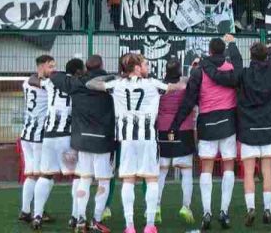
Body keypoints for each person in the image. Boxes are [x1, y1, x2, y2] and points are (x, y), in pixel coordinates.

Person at [203, 42, 271, 226]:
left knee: (249, 173)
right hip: (269, 128)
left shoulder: (243, 74)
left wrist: (231, 47)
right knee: (267, 171)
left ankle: (251, 208)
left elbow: (221, 77)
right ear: (266, 56)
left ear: (251, 56)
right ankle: (267, 209)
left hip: (248, 128)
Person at [85, 53, 187, 233]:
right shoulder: (153, 84)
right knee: (152, 179)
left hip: (127, 140)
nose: (148, 67)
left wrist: (112, 76)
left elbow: (90, 84)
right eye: (145, 64)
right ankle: (149, 225)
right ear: (138, 68)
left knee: (128, 180)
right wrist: (189, 73)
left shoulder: (117, 84)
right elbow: (179, 85)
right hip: (147, 139)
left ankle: (130, 226)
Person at [171, 36, 240, 230]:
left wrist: (175, 124)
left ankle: (207, 212)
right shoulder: (232, 69)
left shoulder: (199, 71)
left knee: (206, 169)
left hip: (207, 123)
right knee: (228, 167)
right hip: (228, 122)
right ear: (223, 51)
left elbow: (189, 100)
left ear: (209, 51)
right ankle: (224, 212)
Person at [29, 58, 85, 230]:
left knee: (46, 175)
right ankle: (75, 217)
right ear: (77, 72)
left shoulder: (51, 82)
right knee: (77, 176)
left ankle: (37, 215)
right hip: (67, 136)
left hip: (48, 135)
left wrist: (43, 73)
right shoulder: (79, 84)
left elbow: (33, 80)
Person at [71, 55, 117, 232]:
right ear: (102, 65)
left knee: (84, 178)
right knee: (103, 181)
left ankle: (80, 218)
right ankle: (96, 220)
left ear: (86, 68)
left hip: (83, 138)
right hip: (102, 139)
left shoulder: (76, 84)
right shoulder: (110, 84)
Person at [153, 59, 196, 227]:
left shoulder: (159, 87)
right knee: (186, 171)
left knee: (161, 172)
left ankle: (156, 206)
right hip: (182, 130)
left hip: (163, 130)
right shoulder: (185, 84)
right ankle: (186, 206)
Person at [18, 55, 54, 225]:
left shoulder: (26, 82)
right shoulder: (47, 86)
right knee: (45, 175)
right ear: (41, 67)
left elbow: (34, 80)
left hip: (26, 134)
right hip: (39, 136)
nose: (52, 70)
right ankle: (38, 212)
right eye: (50, 66)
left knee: (31, 174)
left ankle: (25, 211)